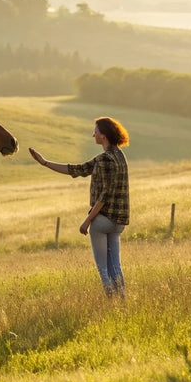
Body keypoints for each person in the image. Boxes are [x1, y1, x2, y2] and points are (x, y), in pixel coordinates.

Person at [29, 117, 130, 298]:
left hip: (103, 220)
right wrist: (45, 162)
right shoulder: (119, 156)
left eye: (96, 131)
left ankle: (111, 301)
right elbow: (76, 169)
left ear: (104, 136)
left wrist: (87, 221)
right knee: (116, 265)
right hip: (119, 221)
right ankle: (122, 301)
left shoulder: (104, 160)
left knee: (103, 269)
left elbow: (104, 195)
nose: (93, 134)